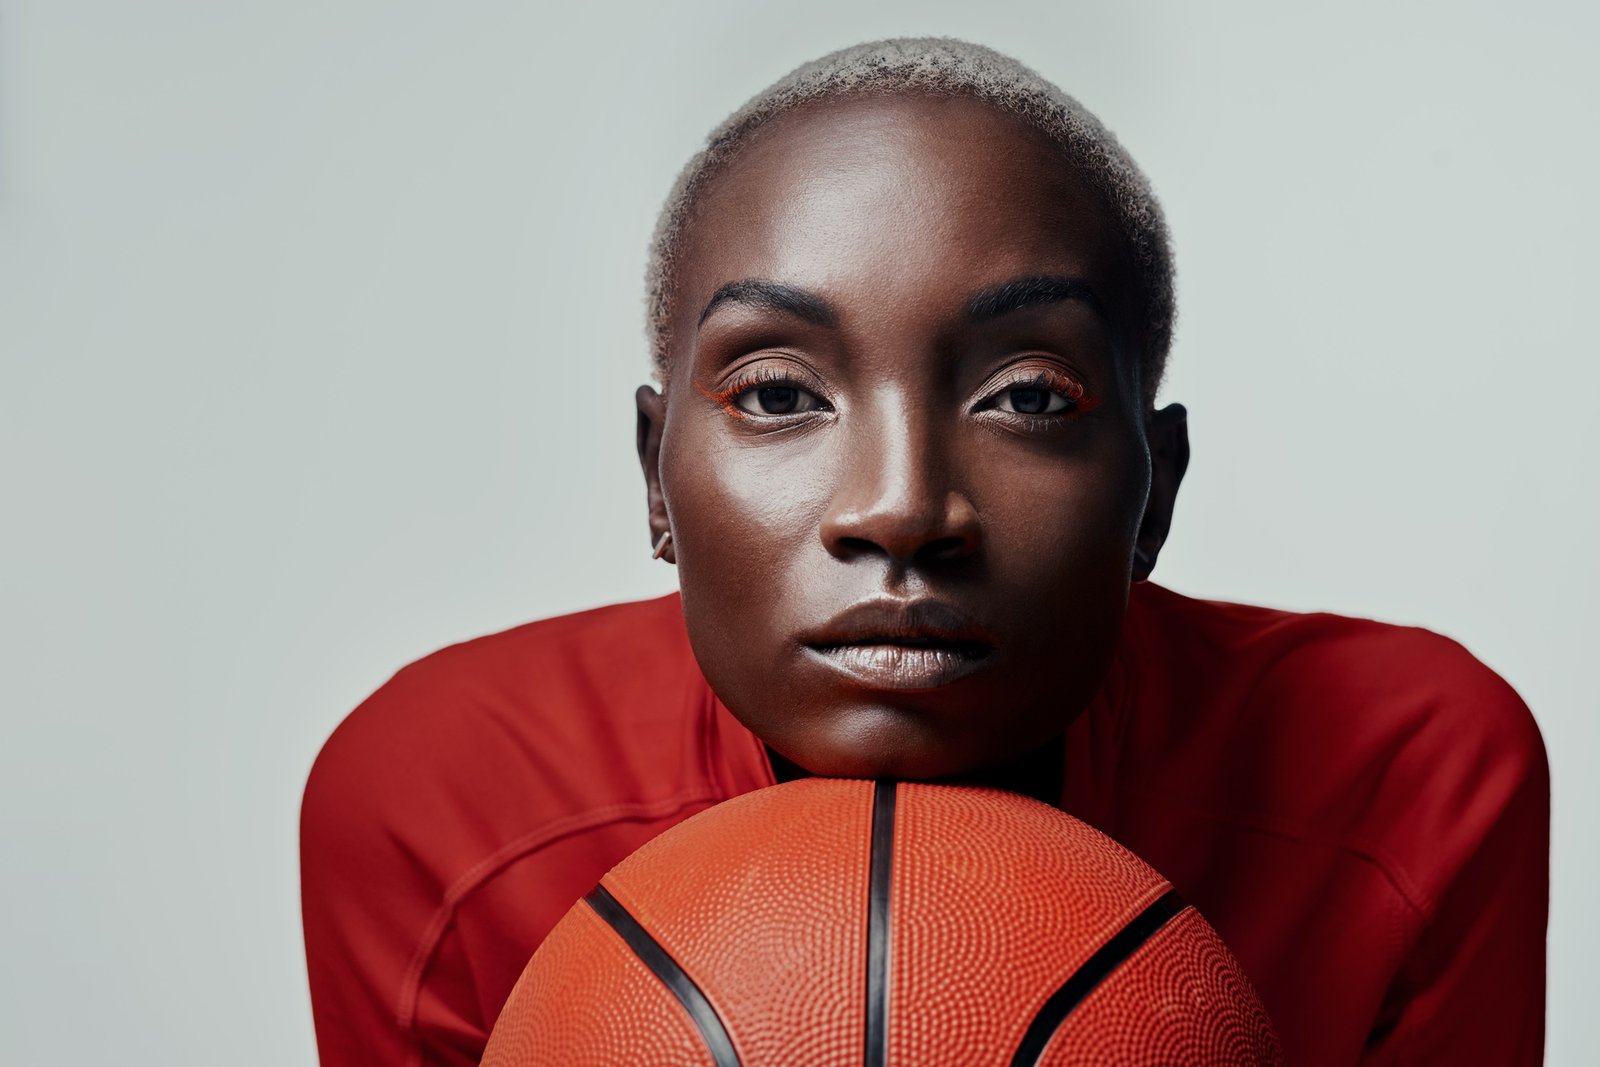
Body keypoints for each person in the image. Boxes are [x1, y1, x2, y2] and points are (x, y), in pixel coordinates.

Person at [299, 38, 1548, 1067]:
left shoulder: (1403, 785)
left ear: (1155, 490)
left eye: (1028, 396)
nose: (901, 510)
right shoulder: (447, 809)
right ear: (654, 476)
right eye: (780, 392)